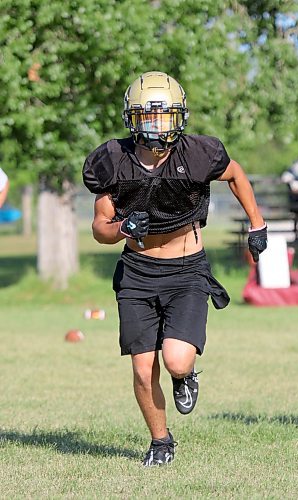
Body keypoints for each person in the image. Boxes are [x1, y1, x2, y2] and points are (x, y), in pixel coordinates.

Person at [82, 71, 267, 467]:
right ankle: (161, 440)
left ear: (179, 117)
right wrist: (120, 229)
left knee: (176, 360)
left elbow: (235, 174)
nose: (157, 127)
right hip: (137, 270)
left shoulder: (198, 153)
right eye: (148, 118)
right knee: (141, 366)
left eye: (164, 117)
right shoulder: (112, 159)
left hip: (186, 269)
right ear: (132, 119)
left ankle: (186, 376)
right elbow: (99, 227)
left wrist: (257, 223)